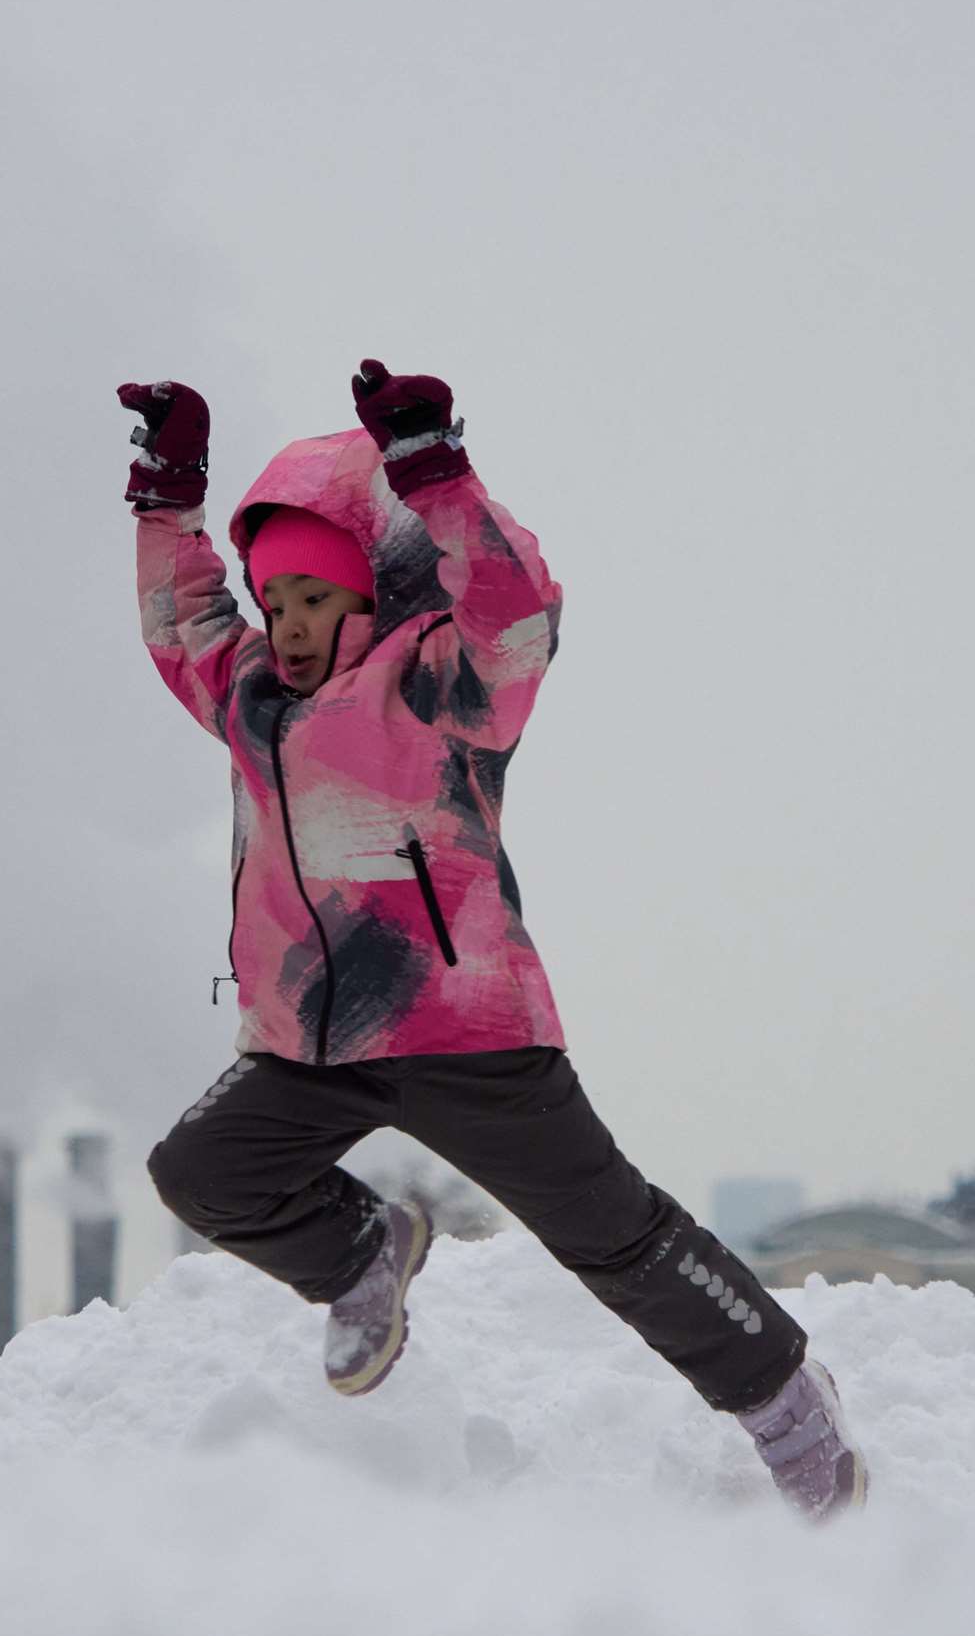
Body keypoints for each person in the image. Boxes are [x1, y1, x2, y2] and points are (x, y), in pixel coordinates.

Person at [124, 363, 868, 1518]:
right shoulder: (251, 695)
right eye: (277, 603)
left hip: (462, 1031)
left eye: (317, 598)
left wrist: (437, 472)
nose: (290, 625)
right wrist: (166, 495)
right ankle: (363, 1251)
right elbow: (182, 621)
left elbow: (515, 608)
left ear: (378, 589)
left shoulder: (443, 689)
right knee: (200, 1173)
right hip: (305, 1038)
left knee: (611, 1236)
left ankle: (783, 1400)